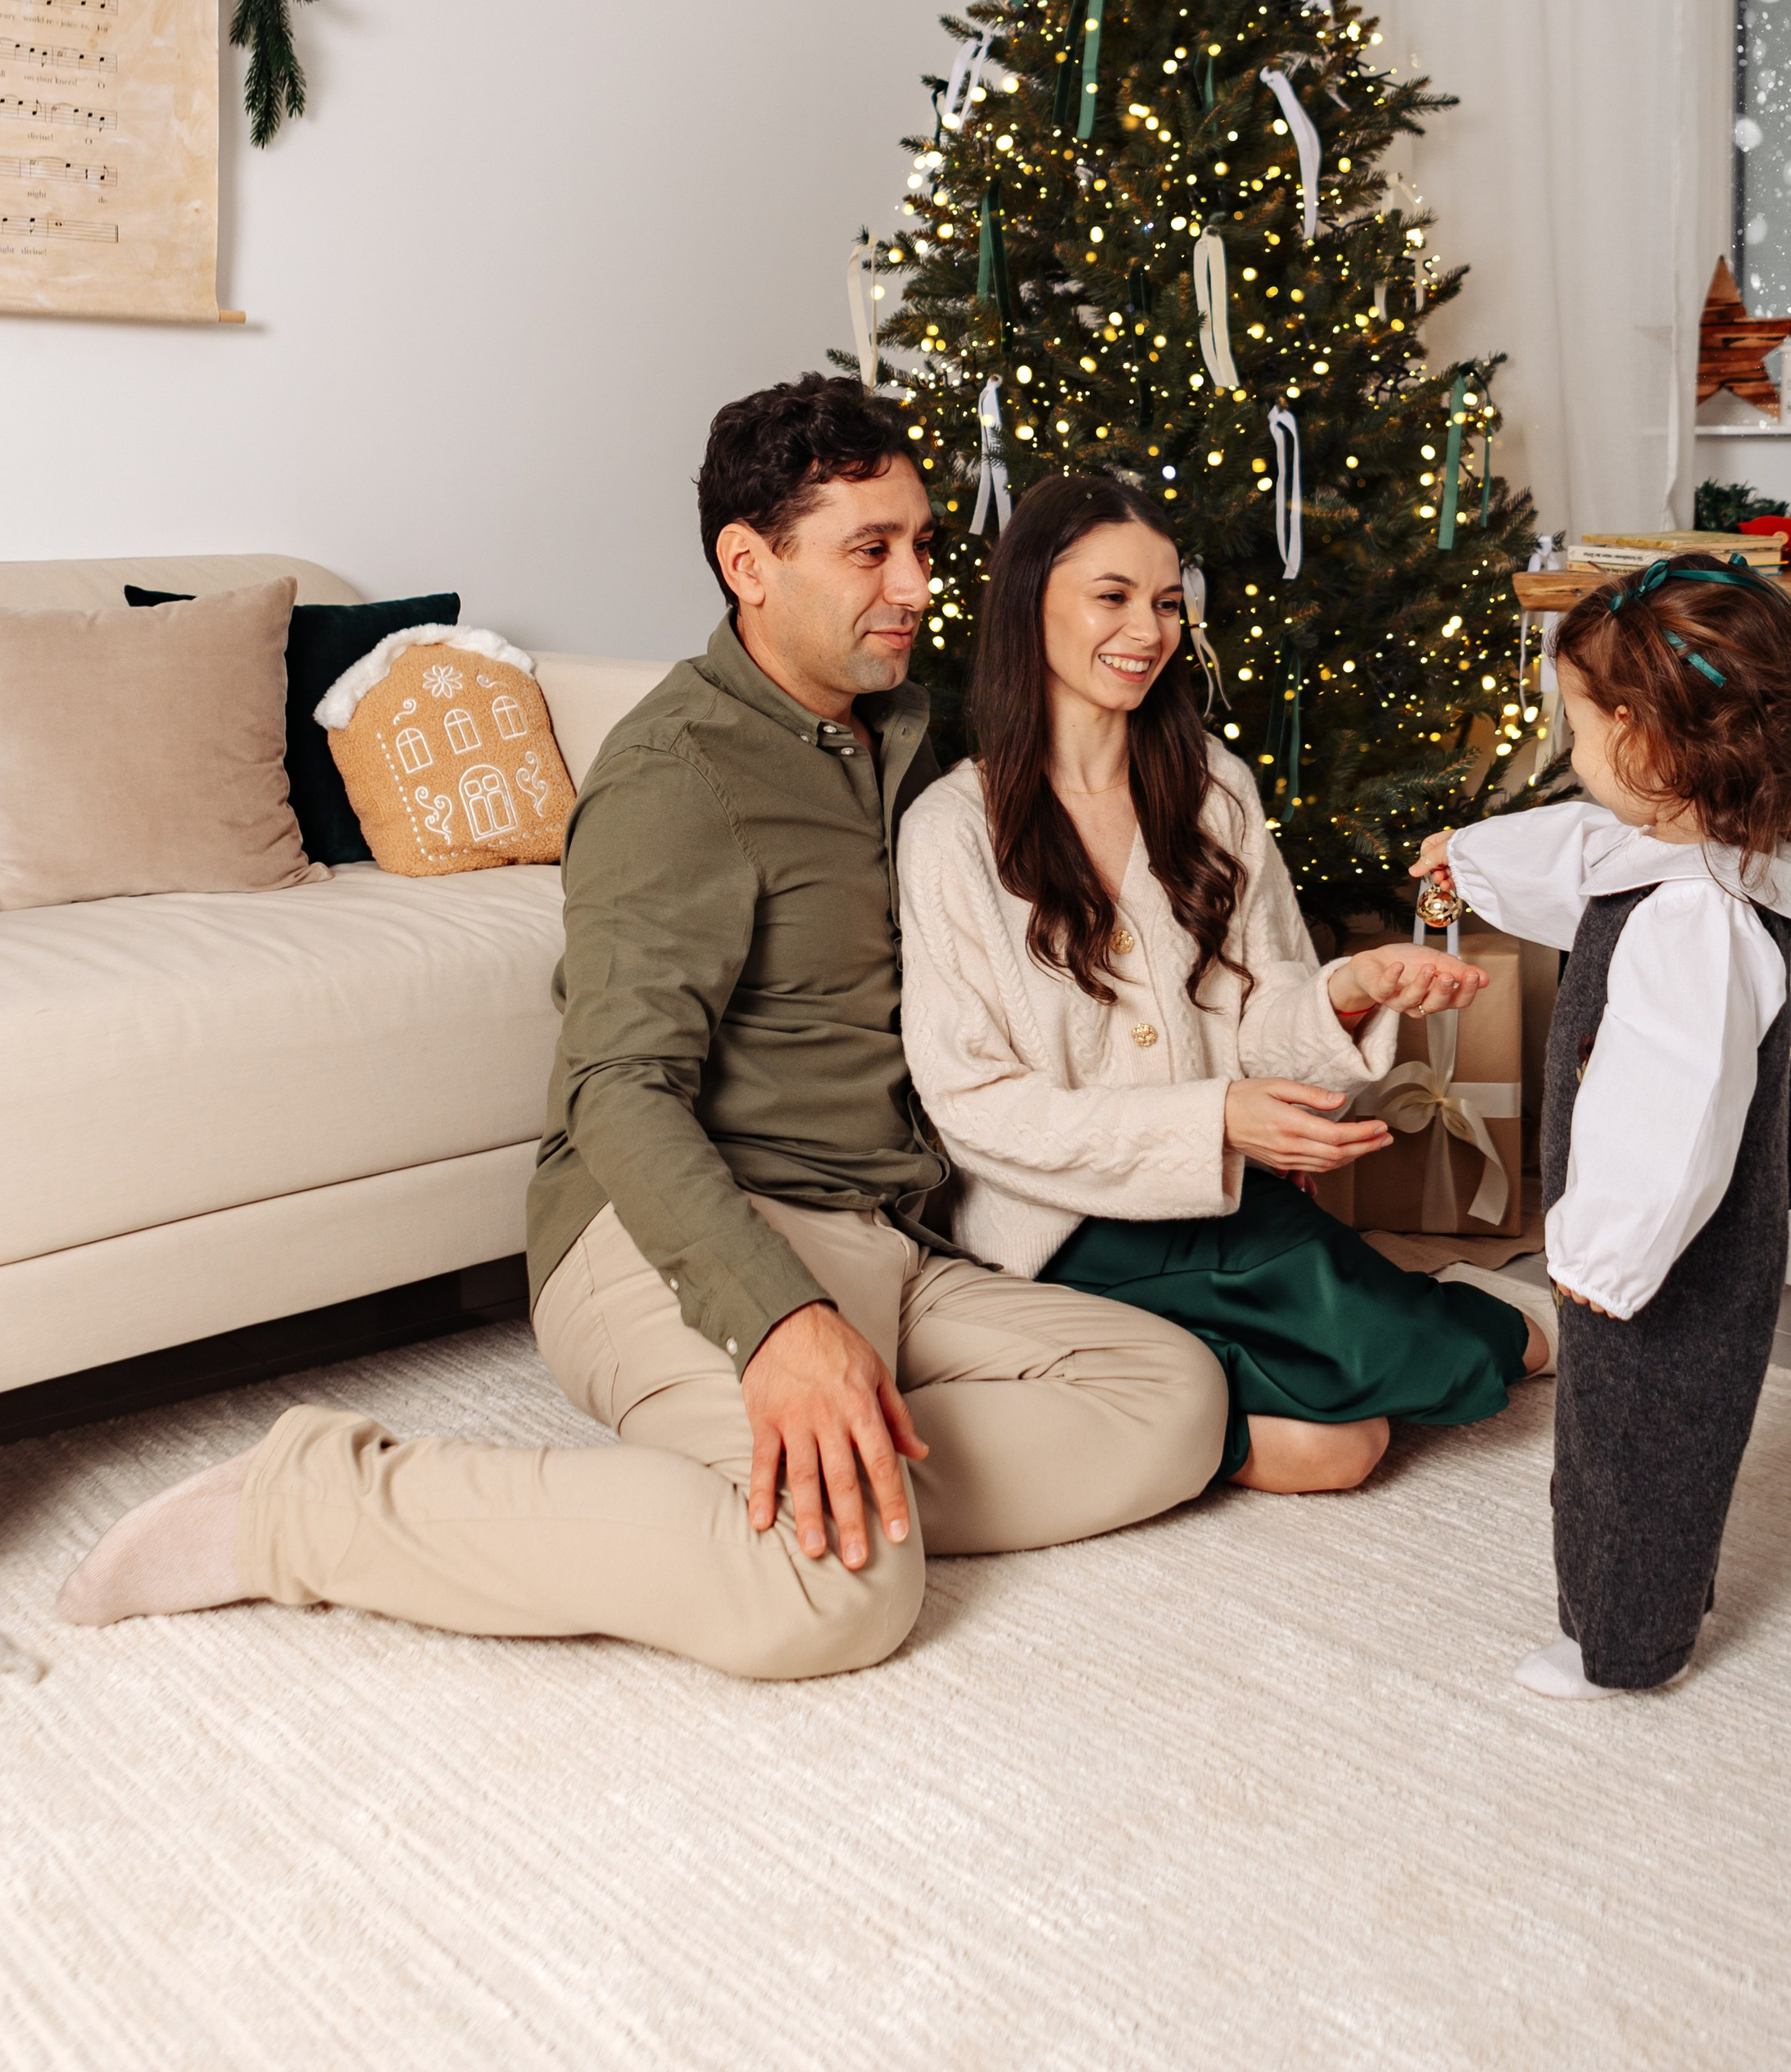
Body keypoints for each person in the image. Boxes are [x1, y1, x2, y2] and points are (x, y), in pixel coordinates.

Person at [61, 379, 1229, 1675]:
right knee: (829, 1601)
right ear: (750, 564)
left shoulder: (906, 732)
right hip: (673, 1236)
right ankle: (316, 1498)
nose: (914, 586)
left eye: (922, 546)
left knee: (1172, 1399)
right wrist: (779, 1321)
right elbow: (617, 1088)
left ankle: (805, 1487)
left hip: (884, 1234)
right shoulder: (681, 773)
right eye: (870, 550)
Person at [896, 474, 1553, 1498]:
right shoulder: (950, 831)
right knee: (1348, 1433)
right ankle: (1475, 1319)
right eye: (1111, 596)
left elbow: (1264, 1015)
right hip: (1063, 1224)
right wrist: (1213, 1122)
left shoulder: (1214, 787)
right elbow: (971, 1106)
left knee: (1382, 1398)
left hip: (1215, 1198)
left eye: (1166, 603)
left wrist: (1353, 990)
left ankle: (1418, 1323)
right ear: (1030, 601)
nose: (1147, 629)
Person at [1414, 553, 1791, 1700]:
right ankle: (1629, 1605)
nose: (1570, 753)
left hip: (1660, 1254)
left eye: (1578, 728)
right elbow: (1575, 856)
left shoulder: (1695, 923)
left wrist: (1602, 1253)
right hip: (1636, 1243)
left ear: (1643, 742)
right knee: (1637, 1437)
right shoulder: (1672, 845)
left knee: (1641, 1448)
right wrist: (1466, 859)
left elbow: (1680, 1107)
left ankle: (1624, 1644)